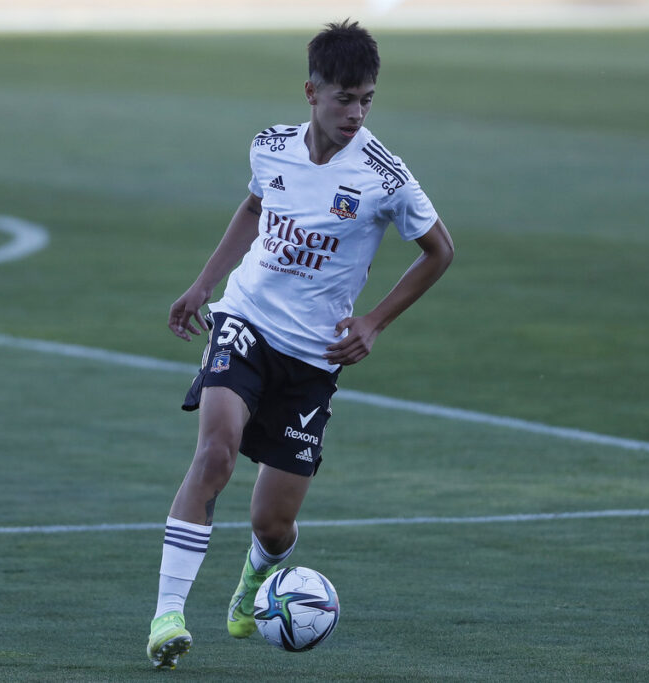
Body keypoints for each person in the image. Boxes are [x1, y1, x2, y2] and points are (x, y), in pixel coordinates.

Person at [146, 19, 454, 669]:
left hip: (314, 358)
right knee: (216, 453)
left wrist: (373, 321)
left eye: (367, 98)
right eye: (345, 97)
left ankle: (257, 579)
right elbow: (255, 207)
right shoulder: (271, 146)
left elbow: (439, 251)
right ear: (311, 91)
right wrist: (205, 284)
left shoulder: (384, 176)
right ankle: (167, 614)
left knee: (273, 523)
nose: (356, 112)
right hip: (246, 321)